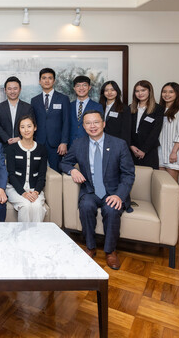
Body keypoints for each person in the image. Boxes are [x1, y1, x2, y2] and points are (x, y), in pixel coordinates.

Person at [60, 110, 135, 270]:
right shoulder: (78, 144)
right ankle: (90, 247)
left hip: (113, 191)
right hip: (90, 190)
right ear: (84, 126)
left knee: (111, 209)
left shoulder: (118, 144)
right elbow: (64, 162)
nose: (92, 126)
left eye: (96, 122)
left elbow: (128, 174)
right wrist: (72, 170)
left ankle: (110, 251)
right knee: (86, 206)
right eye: (88, 123)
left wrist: (119, 196)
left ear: (103, 124)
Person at [5, 115, 48, 222]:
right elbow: (11, 175)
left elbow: (42, 175)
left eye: (29, 126)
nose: (26, 130)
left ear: (35, 127)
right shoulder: (12, 149)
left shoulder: (42, 149)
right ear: (19, 129)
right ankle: (23, 237)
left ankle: (36, 236)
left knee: (37, 206)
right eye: (22, 127)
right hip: (15, 189)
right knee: (26, 205)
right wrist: (23, 193)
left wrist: (36, 192)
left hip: (34, 190)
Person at [31, 68, 70, 172]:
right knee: (37, 171)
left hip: (57, 144)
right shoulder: (34, 100)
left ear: (54, 81)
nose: (47, 81)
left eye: (50, 78)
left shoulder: (63, 99)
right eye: (44, 78)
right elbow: (32, 122)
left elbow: (66, 121)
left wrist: (64, 142)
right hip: (39, 142)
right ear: (40, 81)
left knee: (56, 171)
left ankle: (55, 189)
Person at [158, 82, 179, 183]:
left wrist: (174, 152)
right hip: (159, 151)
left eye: (171, 92)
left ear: (177, 94)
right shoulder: (159, 110)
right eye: (164, 92)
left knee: (172, 184)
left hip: (174, 151)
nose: (167, 94)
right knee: (161, 184)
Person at [129, 80, 164, 169]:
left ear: (149, 91)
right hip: (132, 150)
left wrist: (144, 150)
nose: (140, 93)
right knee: (132, 178)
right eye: (137, 91)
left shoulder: (158, 109)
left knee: (149, 178)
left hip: (149, 150)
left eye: (143, 90)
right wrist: (131, 145)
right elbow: (126, 129)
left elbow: (155, 131)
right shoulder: (130, 108)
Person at [0, 76, 34, 148]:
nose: (12, 91)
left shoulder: (28, 107)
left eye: (15, 88)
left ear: (20, 89)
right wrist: (7, 139)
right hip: (4, 145)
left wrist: (20, 138)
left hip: (23, 145)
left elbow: (32, 125)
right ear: (5, 90)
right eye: (9, 89)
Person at [69, 75, 103, 146]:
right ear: (74, 88)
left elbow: (100, 127)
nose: (81, 88)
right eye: (78, 86)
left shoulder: (97, 106)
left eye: (84, 85)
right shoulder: (68, 106)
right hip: (70, 145)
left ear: (89, 87)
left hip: (90, 145)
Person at [99, 81, 131, 146]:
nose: (109, 92)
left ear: (117, 91)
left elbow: (126, 131)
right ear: (103, 92)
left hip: (116, 143)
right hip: (100, 142)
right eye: (106, 90)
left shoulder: (124, 108)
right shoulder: (99, 107)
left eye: (112, 90)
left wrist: (122, 146)